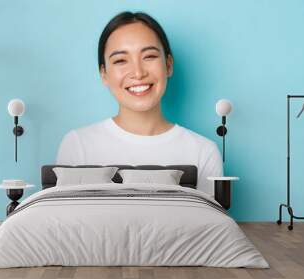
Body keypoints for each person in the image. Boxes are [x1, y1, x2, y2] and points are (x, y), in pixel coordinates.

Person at [56, 11, 222, 196]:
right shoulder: (78, 146)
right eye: (120, 60)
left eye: (149, 56)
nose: (138, 72)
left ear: (168, 65)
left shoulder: (203, 152)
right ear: (104, 74)